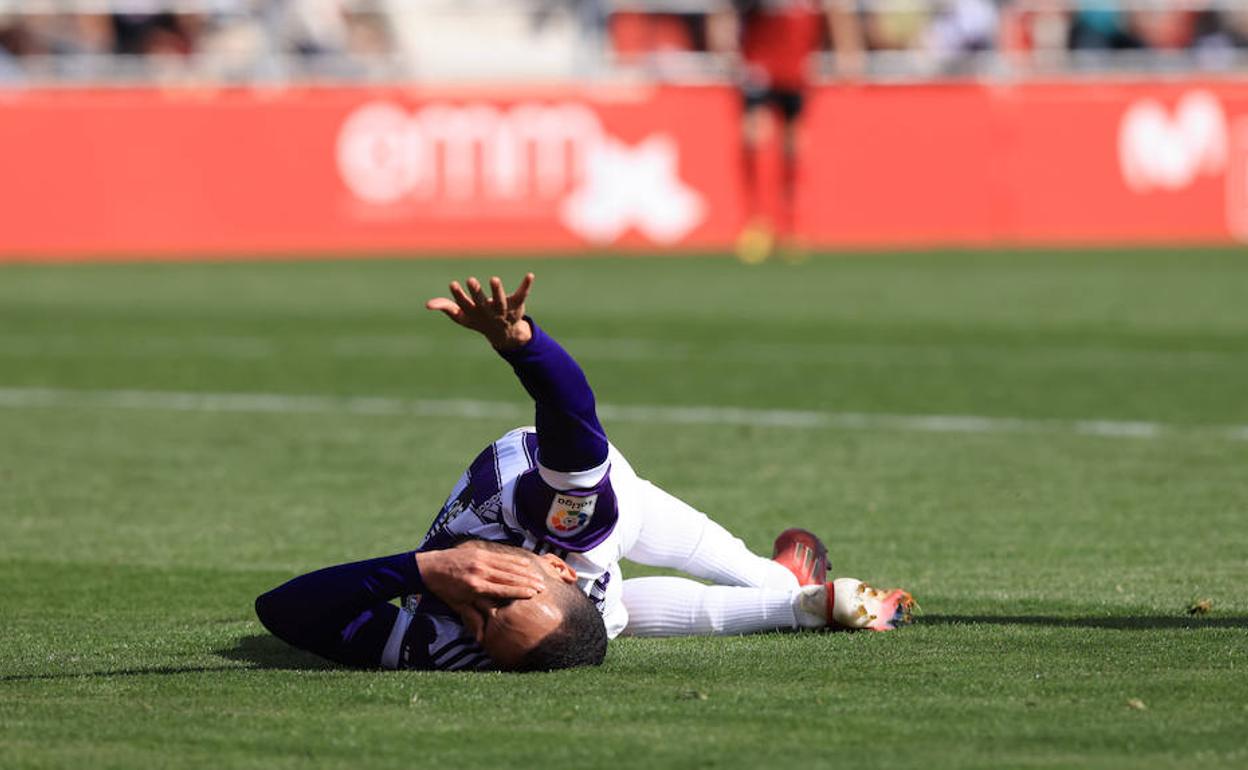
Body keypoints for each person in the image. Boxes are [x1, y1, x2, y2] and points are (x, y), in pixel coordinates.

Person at [256, 273, 913, 672]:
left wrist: (423, 569)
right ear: (556, 571)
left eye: (486, 624)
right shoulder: (567, 531)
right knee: (619, 614)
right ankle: (794, 594)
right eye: (501, 605)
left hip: (581, 518)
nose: (478, 606)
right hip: (596, 510)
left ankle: (789, 592)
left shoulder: (452, 642)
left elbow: (281, 612)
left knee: (611, 603)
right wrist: (524, 346)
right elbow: (574, 418)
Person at [708, 0, 864, 264]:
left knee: (793, 146)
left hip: (796, 70)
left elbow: (838, 12)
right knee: (755, 135)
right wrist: (724, 51)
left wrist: (847, 54)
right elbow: (725, 11)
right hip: (759, 67)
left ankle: (792, 224)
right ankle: (757, 222)